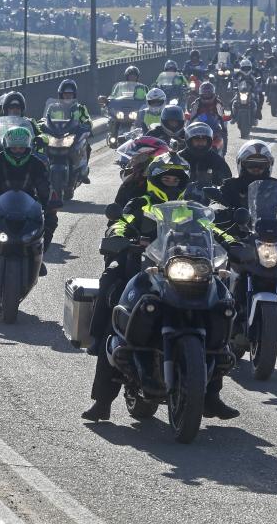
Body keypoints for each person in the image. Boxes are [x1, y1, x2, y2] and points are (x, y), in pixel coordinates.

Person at [83, 152, 240, 422]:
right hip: (147, 268)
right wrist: (118, 236)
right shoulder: (140, 203)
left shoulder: (190, 207)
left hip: (186, 270)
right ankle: (102, 399)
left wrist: (233, 241)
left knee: (221, 303)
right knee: (113, 288)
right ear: (155, 179)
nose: (170, 182)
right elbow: (121, 222)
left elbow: (212, 231)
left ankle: (211, 396)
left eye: (175, 178)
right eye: (165, 177)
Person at [212, 140, 277, 336]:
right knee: (218, 273)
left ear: (268, 166)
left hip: (269, 237)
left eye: (261, 165)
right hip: (237, 239)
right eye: (251, 164)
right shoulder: (230, 186)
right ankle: (218, 314)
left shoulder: (275, 186)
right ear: (241, 165)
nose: (256, 169)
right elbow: (216, 204)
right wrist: (223, 212)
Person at [0, 126, 57, 272]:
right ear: (6, 147)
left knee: (51, 218)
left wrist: (50, 204)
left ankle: (39, 257)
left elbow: (44, 189)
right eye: (14, 148)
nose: (18, 152)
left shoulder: (37, 164)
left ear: (28, 147)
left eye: (21, 148)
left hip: (28, 208)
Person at [54, 79, 92, 182]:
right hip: (57, 137)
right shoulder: (53, 108)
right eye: (65, 94)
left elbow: (87, 120)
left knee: (87, 146)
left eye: (70, 94)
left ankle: (83, 172)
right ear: (61, 95)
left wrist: (87, 125)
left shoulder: (80, 108)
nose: (68, 96)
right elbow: (46, 120)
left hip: (74, 137)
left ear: (74, 95)